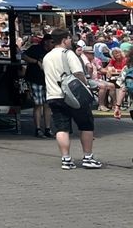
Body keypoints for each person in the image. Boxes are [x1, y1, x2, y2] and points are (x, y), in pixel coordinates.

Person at [42, 29, 102, 169]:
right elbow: (78, 73)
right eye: (69, 39)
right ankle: (88, 157)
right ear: (64, 40)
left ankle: (66, 159)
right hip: (73, 95)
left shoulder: (47, 57)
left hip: (53, 95)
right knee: (86, 124)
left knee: (61, 128)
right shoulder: (68, 54)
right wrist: (86, 85)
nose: (71, 42)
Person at [22, 32, 51, 138]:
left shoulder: (53, 51)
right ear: (46, 41)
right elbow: (23, 56)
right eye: (51, 42)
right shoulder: (36, 48)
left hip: (48, 80)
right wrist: (35, 62)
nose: (53, 44)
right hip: (35, 79)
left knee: (47, 105)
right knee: (38, 104)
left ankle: (47, 128)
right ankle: (38, 129)